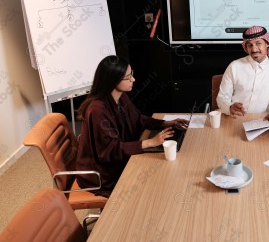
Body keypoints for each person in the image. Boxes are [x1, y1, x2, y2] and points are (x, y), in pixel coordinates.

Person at [76, 55, 188, 197]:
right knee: (152, 182)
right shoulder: (97, 110)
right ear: (113, 80)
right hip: (102, 175)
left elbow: (138, 120)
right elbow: (110, 150)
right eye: (128, 77)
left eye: (132, 74)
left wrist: (166, 123)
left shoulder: (120, 96)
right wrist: (149, 142)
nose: (133, 80)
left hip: (118, 159)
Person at [216, 25, 269, 124]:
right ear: (246, 47)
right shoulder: (234, 66)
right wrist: (229, 107)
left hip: (264, 121)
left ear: (267, 44)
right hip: (235, 120)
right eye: (250, 45)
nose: (254, 49)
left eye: (258, 43)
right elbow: (222, 98)